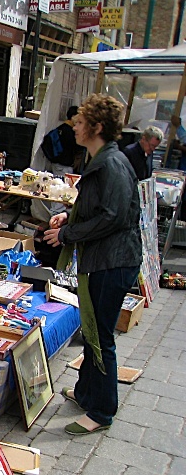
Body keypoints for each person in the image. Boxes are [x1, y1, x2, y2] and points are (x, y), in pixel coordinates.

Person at [43, 94, 142, 435]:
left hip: (111, 263)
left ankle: (101, 411)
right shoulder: (103, 159)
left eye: (81, 123)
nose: (75, 128)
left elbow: (112, 217)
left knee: (100, 336)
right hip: (102, 259)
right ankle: (87, 393)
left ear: (97, 127)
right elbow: (99, 209)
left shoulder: (111, 164)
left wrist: (69, 234)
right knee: (91, 331)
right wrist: (66, 218)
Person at [43, 105, 86, 175]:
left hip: (58, 164)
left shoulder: (61, 128)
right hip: (64, 165)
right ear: (72, 117)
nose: (78, 121)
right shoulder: (69, 131)